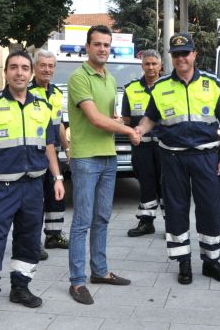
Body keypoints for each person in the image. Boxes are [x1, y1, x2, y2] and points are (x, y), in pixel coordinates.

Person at [0, 50, 65, 325]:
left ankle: (20, 288)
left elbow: (49, 147)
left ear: (30, 72)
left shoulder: (42, 108)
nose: (19, 72)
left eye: (24, 68)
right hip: (0, 188)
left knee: (30, 241)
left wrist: (57, 179)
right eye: (14, 67)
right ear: (6, 72)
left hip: (34, 186)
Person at [134, 33, 220, 285]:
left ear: (194, 55)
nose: (181, 58)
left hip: (206, 157)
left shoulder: (212, 83)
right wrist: (138, 131)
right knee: (176, 210)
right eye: (176, 54)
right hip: (172, 158)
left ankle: (211, 261)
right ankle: (184, 262)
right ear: (171, 57)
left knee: (210, 209)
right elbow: (150, 119)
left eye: (185, 53)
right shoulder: (161, 86)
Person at [67, 25, 140, 305]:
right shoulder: (78, 78)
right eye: (97, 44)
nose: (102, 49)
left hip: (108, 156)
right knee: (82, 222)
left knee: (102, 219)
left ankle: (99, 271)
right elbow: (96, 119)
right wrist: (129, 132)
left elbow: (111, 118)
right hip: (86, 157)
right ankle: (77, 282)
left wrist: (132, 124)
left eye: (106, 45)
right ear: (87, 47)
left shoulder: (110, 79)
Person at [29, 50, 70, 260]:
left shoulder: (56, 93)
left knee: (56, 194)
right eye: (43, 65)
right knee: (36, 200)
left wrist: (68, 148)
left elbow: (60, 124)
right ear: (35, 67)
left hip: (55, 153)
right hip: (33, 155)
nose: (47, 69)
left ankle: (53, 235)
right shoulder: (24, 91)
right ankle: (32, 242)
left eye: (51, 66)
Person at [123, 49, 164, 237]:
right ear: (142, 66)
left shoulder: (168, 86)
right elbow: (126, 119)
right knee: (146, 183)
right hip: (142, 146)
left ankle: (173, 223)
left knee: (167, 184)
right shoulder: (130, 89)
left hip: (165, 146)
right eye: (147, 64)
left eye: (154, 64)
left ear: (160, 66)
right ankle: (146, 222)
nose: (151, 67)